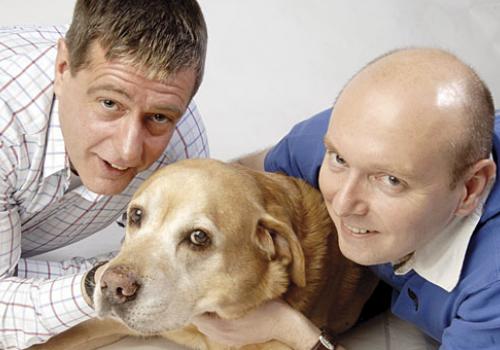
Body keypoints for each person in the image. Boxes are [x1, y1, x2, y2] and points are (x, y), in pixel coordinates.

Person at [193, 48, 500, 349]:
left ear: (470, 189)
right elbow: (237, 180)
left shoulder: (492, 288)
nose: (342, 204)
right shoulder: (354, 138)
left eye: (391, 180)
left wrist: (291, 331)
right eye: (339, 159)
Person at [0, 0, 208, 348]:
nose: (128, 151)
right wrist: (94, 283)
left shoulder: (180, 140)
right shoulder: (5, 127)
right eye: (110, 103)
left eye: (158, 117)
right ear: (62, 69)